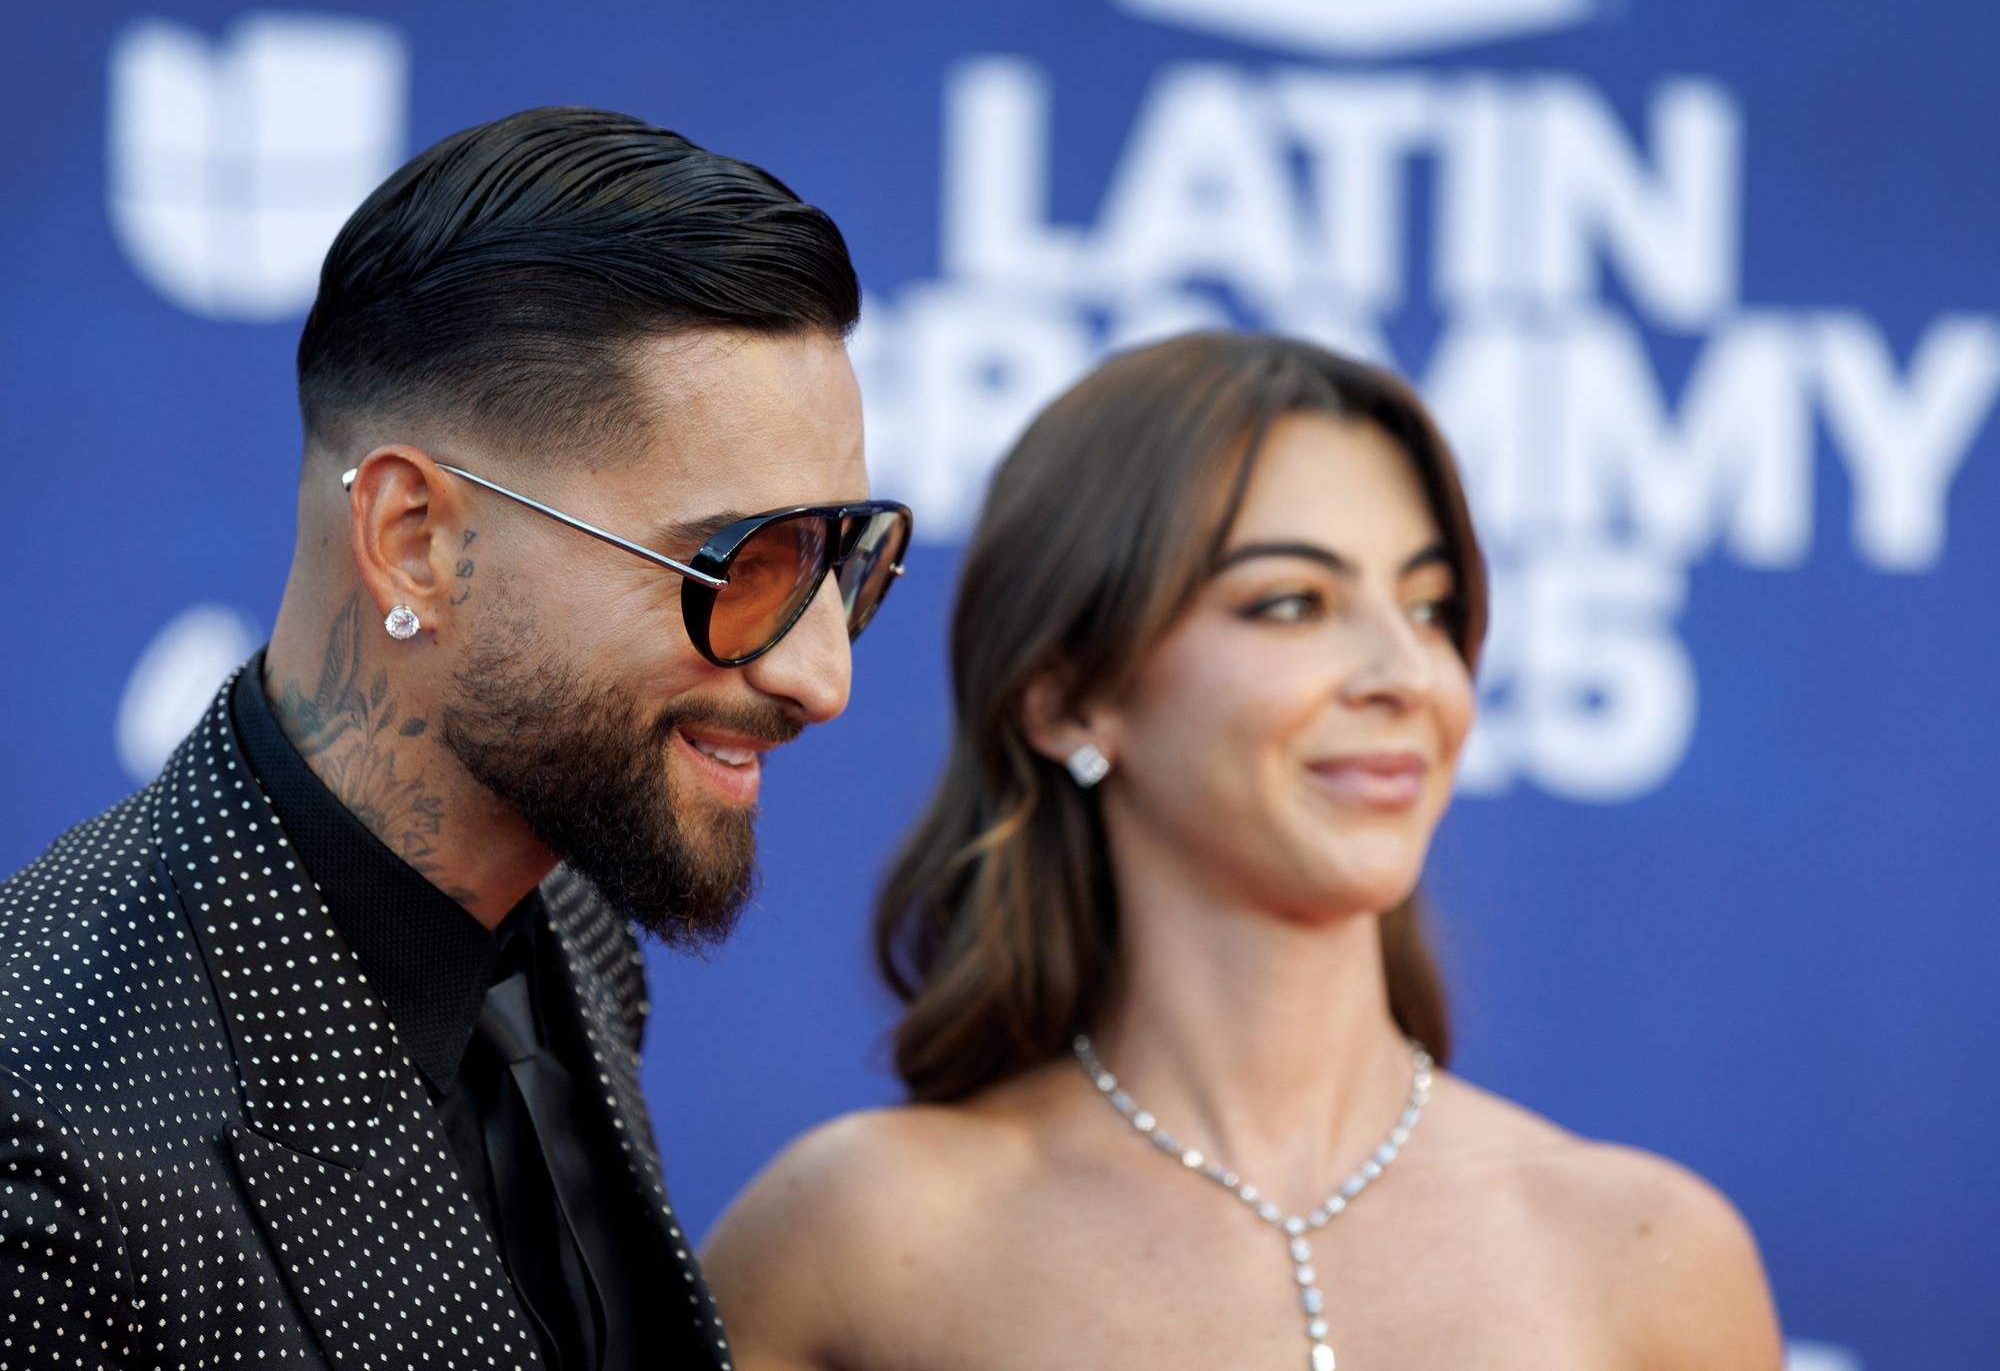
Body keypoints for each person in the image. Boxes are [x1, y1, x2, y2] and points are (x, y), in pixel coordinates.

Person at [0, 106, 909, 1369]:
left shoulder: (573, 922)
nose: (823, 678)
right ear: (412, 538)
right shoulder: (46, 1147)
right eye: (739, 566)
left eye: (838, 559)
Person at [702, 332, 1783, 1370]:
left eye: (1429, 607)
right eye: (1289, 603)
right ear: (1070, 699)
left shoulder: (1652, 1256)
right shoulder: (855, 1243)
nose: (1401, 672)